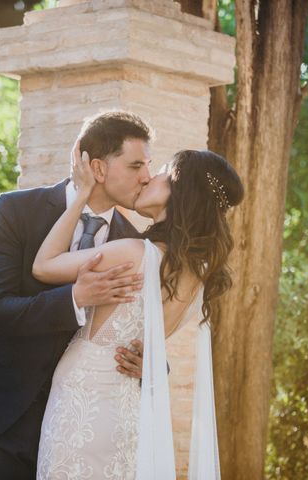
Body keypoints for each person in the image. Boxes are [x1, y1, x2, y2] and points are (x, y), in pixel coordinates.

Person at [0, 111, 156, 479]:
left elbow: (137, 332)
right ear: (98, 168)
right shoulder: (15, 209)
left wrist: (148, 364)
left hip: (74, 427)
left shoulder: (136, 245)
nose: (147, 176)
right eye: (136, 164)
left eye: (148, 165)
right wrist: (75, 298)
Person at [33, 144, 244, 479]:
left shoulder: (132, 253)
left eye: (161, 172)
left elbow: (44, 266)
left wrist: (82, 193)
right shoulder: (197, 279)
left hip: (81, 402)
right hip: (130, 414)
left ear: (180, 191)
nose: (148, 178)